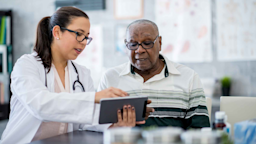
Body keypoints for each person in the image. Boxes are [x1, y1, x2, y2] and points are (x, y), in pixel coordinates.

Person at [0, 7, 143, 144]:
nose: (83, 43)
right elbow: (40, 105)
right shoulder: (27, 65)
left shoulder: (82, 73)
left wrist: (116, 124)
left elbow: (86, 120)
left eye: (87, 37)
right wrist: (94, 97)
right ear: (57, 32)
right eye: (79, 34)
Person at [98, 19, 210, 130]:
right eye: (133, 44)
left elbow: (200, 129)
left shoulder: (188, 77)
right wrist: (117, 126)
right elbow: (97, 128)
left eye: (147, 43)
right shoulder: (110, 78)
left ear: (160, 43)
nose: (139, 50)